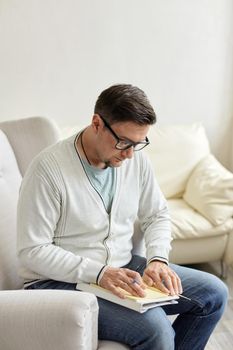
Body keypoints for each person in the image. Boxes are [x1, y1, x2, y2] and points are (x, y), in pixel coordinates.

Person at [17, 84, 228, 350]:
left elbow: (157, 214)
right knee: (156, 330)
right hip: (58, 282)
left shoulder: (134, 160)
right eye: (124, 142)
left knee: (214, 293)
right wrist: (100, 272)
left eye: (138, 144)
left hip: (121, 267)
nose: (129, 154)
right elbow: (32, 250)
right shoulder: (47, 170)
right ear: (97, 123)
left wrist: (158, 259)